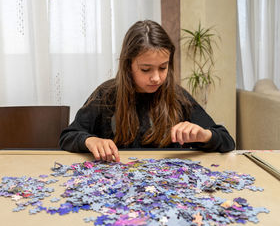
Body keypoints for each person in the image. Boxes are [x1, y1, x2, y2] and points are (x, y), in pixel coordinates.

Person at [59, 20, 235, 162]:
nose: (156, 78)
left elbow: (227, 141)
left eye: (163, 68)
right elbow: (68, 136)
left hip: (167, 189)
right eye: (146, 69)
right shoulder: (106, 94)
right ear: (128, 65)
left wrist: (204, 135)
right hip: (117, 187)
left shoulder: (177, 96)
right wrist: (90, 140)